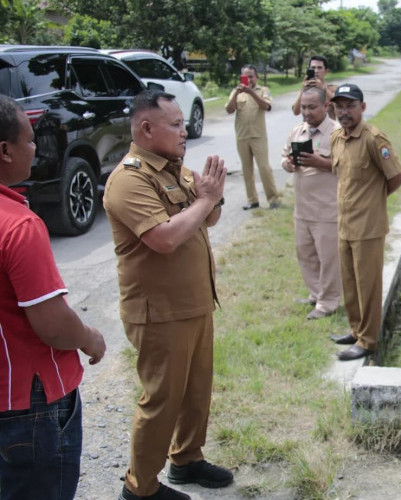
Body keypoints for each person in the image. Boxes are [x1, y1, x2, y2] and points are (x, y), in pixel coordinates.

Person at [103, 90, 232, 500]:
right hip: (158, 312)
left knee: (196, 391)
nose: (185, 130)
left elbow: (208, 217)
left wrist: (211, 194)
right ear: (146, 128)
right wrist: (207, 197)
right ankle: (139, 488)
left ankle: (186, 459)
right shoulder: (129, 178)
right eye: (175, 124)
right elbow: (164, 238)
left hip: (194, 302)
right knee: (161, 400)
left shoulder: (173, 169)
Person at [0, 95, 106, 500]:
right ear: (5, 150)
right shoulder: (19, 226)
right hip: (31, 402)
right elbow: (52, 324)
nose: (35, 148)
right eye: (29, 140)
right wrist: (90, 338)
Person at [328, 84, 401, 361]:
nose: (344, 111)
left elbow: (396, 176)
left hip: (369, 227)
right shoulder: (337, 137)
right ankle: (356, 330)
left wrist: (374, 200)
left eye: (350, 105)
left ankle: (368, 340)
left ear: (362, 107)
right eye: (339, 106)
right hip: (345, 223)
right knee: (350, 283)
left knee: (368, 285)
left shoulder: (374, 139)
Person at [282, 86, 342, 320]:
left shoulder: (337, 133)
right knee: (305, 253)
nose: (306, 112)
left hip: (327, 210)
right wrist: (287, 163)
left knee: (329, 258)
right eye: (303, 107)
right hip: (303, 208)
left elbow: (347, 165)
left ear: (326, 106)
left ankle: (328, 302)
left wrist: (320, 162)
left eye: (311, 107)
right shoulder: (298, 131)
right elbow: (285, 155)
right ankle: (316, 294)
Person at [225, 64, 280, 210]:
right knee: (247, 170)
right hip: (242, 136)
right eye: (245, 76)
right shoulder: (236, 92)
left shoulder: (263, 90)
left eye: (251, 76)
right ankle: (252, 199)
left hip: (258, 136)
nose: (248, 79)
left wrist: (251, 93)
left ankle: (273, 198)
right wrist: (237, 93)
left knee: (264, 168)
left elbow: (266, 107)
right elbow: (229, 110)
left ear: (257, 77)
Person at [291, 55, 338, 121]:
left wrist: (324, 89)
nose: (316, 71)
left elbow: (340, 106)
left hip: (329, 129)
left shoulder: (333, 89)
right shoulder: (306, 90)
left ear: (326, 71)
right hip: (310, 129)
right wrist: (303, 89)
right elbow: (296, 112)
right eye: (313, 68)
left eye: (319, 68)